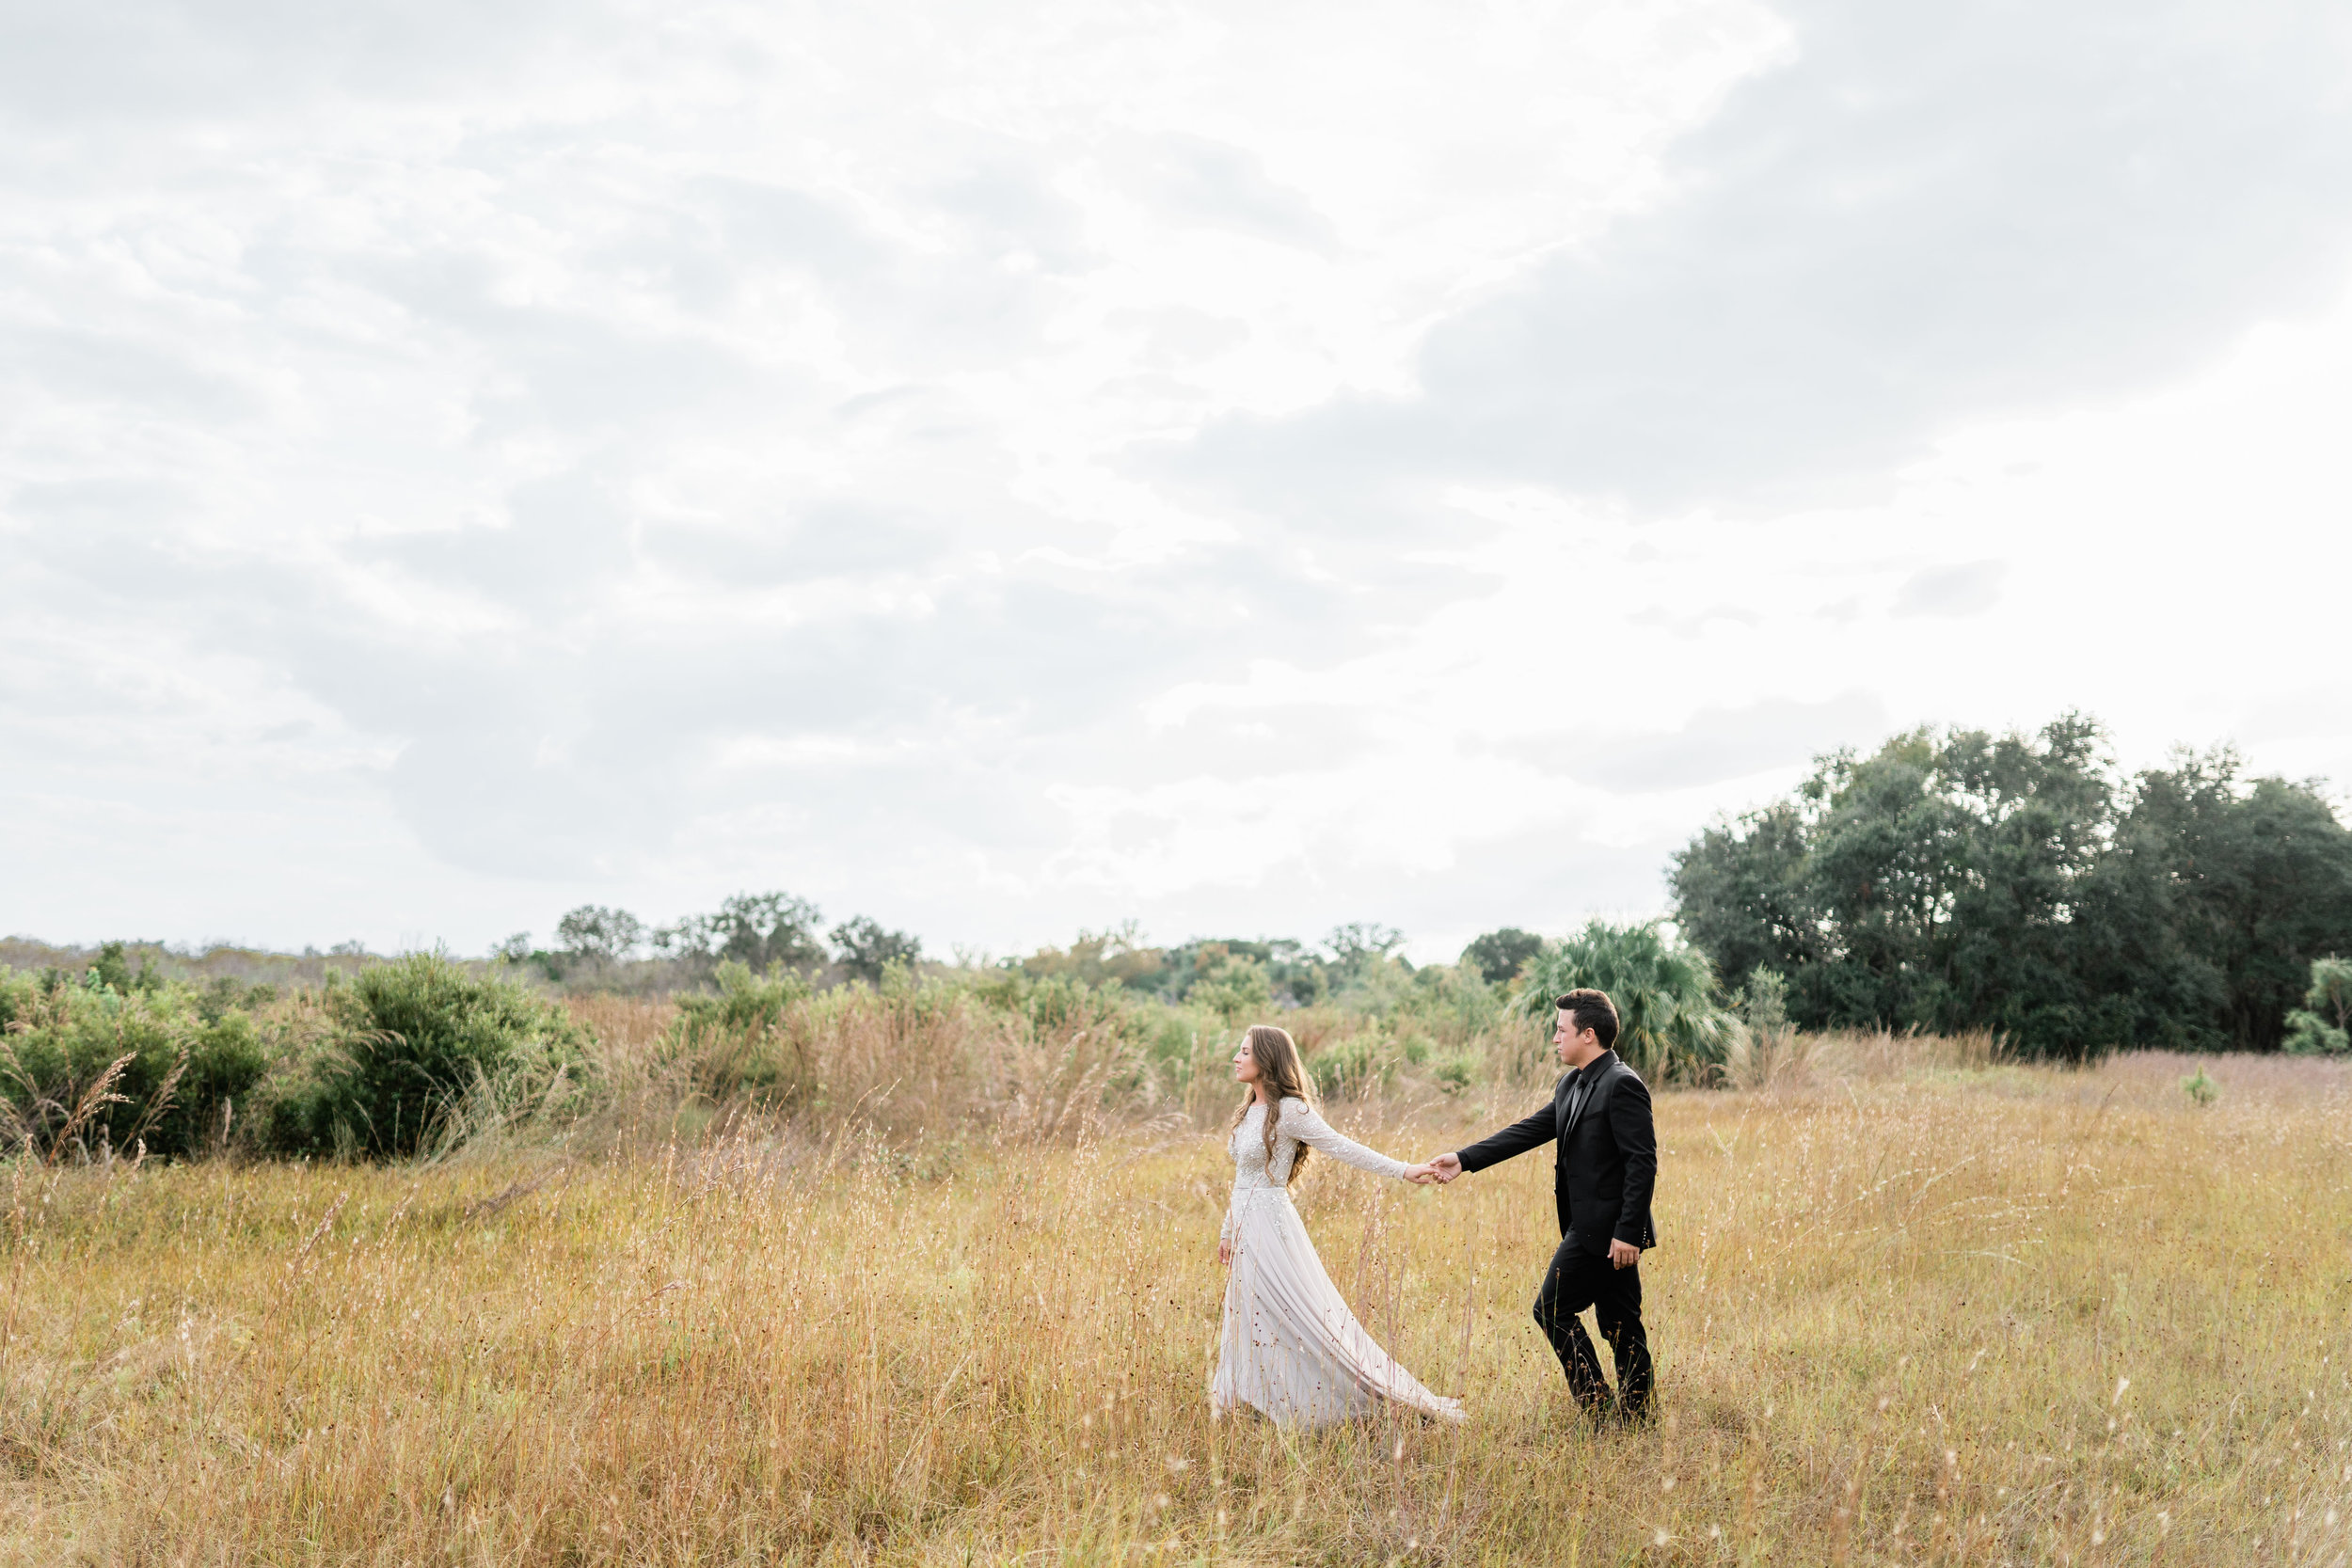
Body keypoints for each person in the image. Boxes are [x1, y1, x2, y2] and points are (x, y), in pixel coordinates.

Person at [1211, 1023, 1466, 1427]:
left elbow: (1343, 1147)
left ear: (1267, 1059)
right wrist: (1227, 1231)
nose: (1236, 1058)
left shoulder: (1291, 1110)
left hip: (1272, 1225)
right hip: (1245, 1224)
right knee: (1249, 1313)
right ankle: (1252, 1396)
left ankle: (1365, 1396)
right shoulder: (1247, 1112)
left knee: (1299, 1316)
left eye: (1244, 1052)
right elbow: (1243, 1177)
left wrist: (1404, 1170)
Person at [1425, 989, 1657, 1424]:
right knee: (1620, 1322)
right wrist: (1464, 1159)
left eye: (1561, 1030)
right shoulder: (1571, 1083)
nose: (1555, 1038)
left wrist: (1629, 1232)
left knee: (1552, 1309)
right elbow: (1529, 1130)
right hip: (1585, 1226)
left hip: (1606, 1232)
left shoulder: (1622, 1083)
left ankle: (1601, 1407)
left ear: (1587, 1034)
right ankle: (1639, 1417)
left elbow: (1641, 1165)